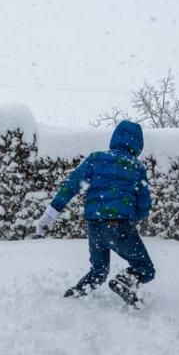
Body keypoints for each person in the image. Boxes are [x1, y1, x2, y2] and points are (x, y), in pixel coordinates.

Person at [35, 119, 155, 306]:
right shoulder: (136, 167)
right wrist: (135, 218)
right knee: (145, 268)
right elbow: (144, 203)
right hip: (120, 226)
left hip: (95, 226)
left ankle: (71, 300)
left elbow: (71, 185)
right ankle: (124, 281)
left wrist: (51, 213)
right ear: (139, 144)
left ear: (115, 138)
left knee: (99, 271)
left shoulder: (96, 159)